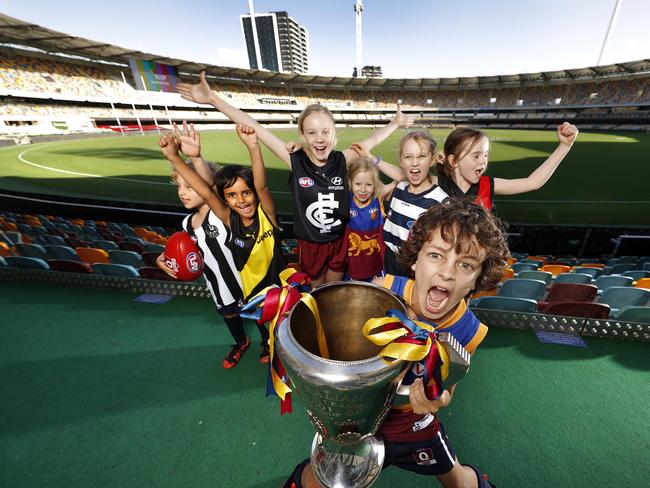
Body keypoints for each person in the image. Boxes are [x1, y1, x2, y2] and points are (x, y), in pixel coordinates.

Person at [283, 199, 510, 488]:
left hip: (411, 424)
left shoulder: (469, 330)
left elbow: (449, 388)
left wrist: (438, 400)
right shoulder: (382, 291)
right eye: (436, 255)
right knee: (318, 480)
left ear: (477, 280)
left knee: (459, 481)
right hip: (361, 419)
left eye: (466, 264)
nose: (447, 273)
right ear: (416, 259)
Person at [177, 72, 413, 287]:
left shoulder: (344, 159)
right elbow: (256, 127)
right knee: (316, 291)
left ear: (334, 131)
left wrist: (395, 123)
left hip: (340, 241)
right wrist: (212, 99)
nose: (319, 139)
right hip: (311, 245)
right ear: (302, 134)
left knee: (334, 289)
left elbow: (372, 140)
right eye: (311, 133)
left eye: (325, 131)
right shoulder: (295, 160)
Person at [158, 123, 284, 367]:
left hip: (249, 281)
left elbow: (209, 191)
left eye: (245, 193)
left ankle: (266, 342)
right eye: (233, 196)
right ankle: (240, 342)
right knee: (228, 313)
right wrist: (160, 259)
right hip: (217, 283)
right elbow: (181, 248)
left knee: (258, 313)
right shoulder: (189, 223)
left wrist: (193, 158)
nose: (183, 193)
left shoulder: (235, 216)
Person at [355, 130, 450, 276]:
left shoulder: (441, 202)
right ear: (401, 161)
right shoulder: (399, 187)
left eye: (422, 156)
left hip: (413, 266)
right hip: (388, 259)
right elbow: (399, 176)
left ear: (432, 160)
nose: (414, 162)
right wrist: (369, 157)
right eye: (408, 157)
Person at [436, 123, 578, 210]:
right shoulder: (435, 185)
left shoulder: (487, 185)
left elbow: (533, 182)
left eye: (486, 155)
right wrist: (432, 159)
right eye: (476, 156)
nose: (483, 161)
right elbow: (414, 169)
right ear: (454, 161)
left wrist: (565, 146)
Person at [344, 156, 395, 281]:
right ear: (350, 182)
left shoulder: (378, 197)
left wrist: (375, 160)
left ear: (375, 184)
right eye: (357, 184)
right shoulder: (345, 198)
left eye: (368, 184)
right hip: (351, 266)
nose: (362, 189)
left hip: (375, 266)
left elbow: (403, 178)